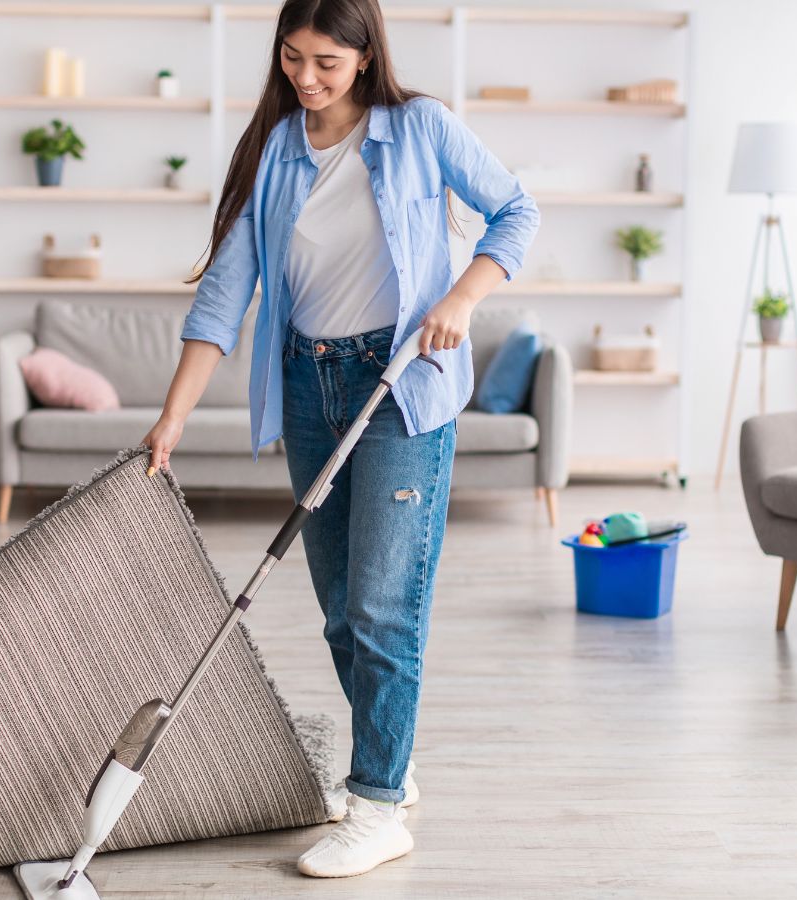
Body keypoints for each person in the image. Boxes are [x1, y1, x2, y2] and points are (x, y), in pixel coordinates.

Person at [141, 0, 537, 878]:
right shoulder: (272, 153)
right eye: (292, 58)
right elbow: (222, 300)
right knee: (337, 609)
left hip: (401, 384)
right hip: (308, 386)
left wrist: (462, 298)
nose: (306, 79)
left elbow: (517, 213)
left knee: (383, 603)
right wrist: (171, 418)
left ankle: (378, 806)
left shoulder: (420, 129)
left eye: (326, 61)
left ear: (364, 57)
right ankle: (386, 756)